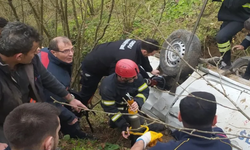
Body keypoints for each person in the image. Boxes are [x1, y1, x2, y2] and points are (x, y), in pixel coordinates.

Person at [0, 22, 87, 149]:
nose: (39, 51)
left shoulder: (31, 60)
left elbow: (47, 79)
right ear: (19, 56)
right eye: (34, 50)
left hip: (24, 120)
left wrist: (70, 98)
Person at [131, 92, 232, 150]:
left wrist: (143, 140)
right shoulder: (225, 143)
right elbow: (216, 130)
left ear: (179, 116)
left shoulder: (168, 148)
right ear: (215, 120)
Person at [39, 36, 94, 140]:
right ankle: (74, 135)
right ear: (54, 53)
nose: (71, 54)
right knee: (70, 117)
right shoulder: (53, 74)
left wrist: (71, 98)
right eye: (65, 51)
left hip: (59, 92)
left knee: (78, 99)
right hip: (41, 101)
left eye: (71, 49)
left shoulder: (48, 53)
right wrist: (69, 117)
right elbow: (50, 101)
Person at [80, 38, 160, 104]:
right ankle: (77, 111)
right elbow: (116, 79)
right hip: (92, 66)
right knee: (87, 93)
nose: (151, 56)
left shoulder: (139, 44)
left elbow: (142, 59)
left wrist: (150, 70)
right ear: (144, 51)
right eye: (151, 54)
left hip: (104, 54)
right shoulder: (126, 59)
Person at [99, 59, 149, 139]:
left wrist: (137, 102)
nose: (136, 78)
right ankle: (116, 123)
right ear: (122, 78)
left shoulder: (136, 76)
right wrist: (123, 125)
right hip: (118, 110)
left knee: (144, 125)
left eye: (136, 75)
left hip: (132, 109)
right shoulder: (107, 87)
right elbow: (110, 109)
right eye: (133, 78)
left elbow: (144, 91)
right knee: (121, 124)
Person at [213, 0, 250, 69]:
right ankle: (224, 60)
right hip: (230, 16)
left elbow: (232, 4)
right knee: (224, 39)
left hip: (241, 18)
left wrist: (244, 44)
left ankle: (226, 64)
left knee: (221, 37)